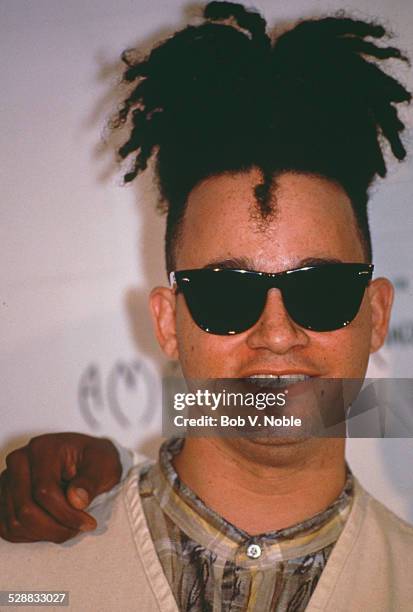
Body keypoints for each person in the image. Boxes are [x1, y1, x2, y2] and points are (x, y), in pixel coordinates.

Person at [1, 2, 412, 610]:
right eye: (228, 293)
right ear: (168, 322)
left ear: (376, 314)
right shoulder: (21, 579)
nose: (277, 333)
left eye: (320, 289)